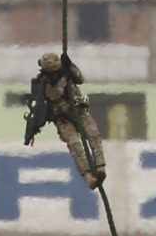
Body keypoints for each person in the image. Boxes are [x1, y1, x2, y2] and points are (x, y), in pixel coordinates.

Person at [23, 51, 107, 190]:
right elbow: (54, 95)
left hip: (79, 112)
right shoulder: (43, 83)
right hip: (62, 119)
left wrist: (71, 67)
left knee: (93, 133)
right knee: (74, 143)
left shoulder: (67, 72)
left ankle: (100, 166)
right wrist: (62, 82)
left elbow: (80, 79)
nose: (53, 75)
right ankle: (87, 176)